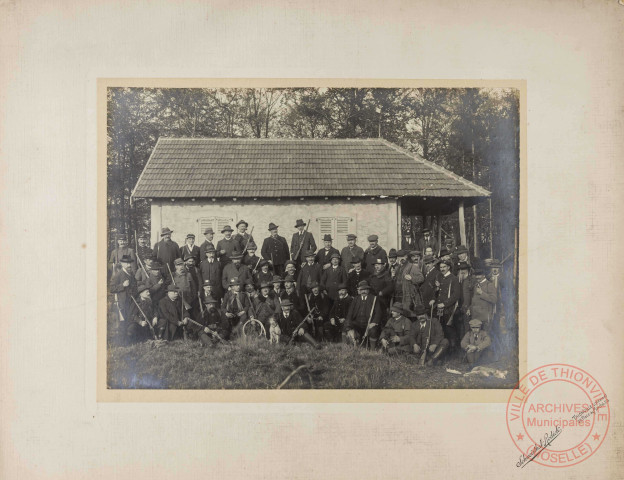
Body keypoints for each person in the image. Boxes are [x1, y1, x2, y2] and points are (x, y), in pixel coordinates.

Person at [344, 280, 382, 348]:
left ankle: (372, 349)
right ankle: (350, 344)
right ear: (359, 290)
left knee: (373, 331)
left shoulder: (374, 299)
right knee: (346, 326)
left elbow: (378, 313)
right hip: (357, 323)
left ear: (368, 290)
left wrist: (374, 322)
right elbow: (350, 313)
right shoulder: (355, 299)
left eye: (365, 289)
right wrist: (348, 326)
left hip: (369, 324)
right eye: (362, 289)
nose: (363, 291)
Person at [108, 254, 138, 341]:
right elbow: (111, 288)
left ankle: (128, 339)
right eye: (126, 263)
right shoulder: (118, 275)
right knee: (122, 321)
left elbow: (135, 285)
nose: (129, 265)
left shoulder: (131, 273)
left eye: (129, 263)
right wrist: (123, 285)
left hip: (131, 301)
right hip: (122, 302)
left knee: (129, 319)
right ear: (122, 263)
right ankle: (122, 341)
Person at [435, 258, 461, 351]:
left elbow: (456, 295)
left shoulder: (453, 279)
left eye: (444, 267)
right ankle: (444, 351)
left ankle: (453, 352)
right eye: (441, 267)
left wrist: (445, 304)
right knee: (442, 330)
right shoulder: (441, 278)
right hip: (441, 310)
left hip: (449, 309)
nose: (442, 269)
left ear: (449, 267)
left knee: (450, 330)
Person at [467, 261, 498, 332]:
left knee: (485, 336)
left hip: (484, 318)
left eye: (479, 275)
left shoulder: (489, 285)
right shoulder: (476, 285)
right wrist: (470, 308)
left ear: (484, 275)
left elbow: (494, 299)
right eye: (476, 275)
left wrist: (482, 293)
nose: (477, 277)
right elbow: (474, 299)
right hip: (475, 316)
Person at [393, 249, 424, 314]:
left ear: (406, 257)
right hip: (398, 296)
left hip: (408, 296)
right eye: (399, 257)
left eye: (402, 256)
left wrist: (411, 278)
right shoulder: (398, 267)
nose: (401, 258)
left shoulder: (412, 267)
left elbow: (421, 278)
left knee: (408, 314)